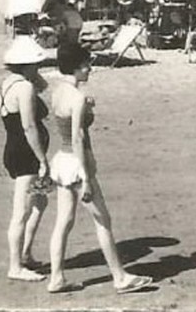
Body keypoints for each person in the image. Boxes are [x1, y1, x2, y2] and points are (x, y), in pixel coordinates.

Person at [47, 43, 154, 294]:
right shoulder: (78, 97)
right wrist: (85, 177)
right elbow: (78, 139)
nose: (90, 68)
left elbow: (66, 124)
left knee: (63, 221)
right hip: (77, 162)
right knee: (103, 219)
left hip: (61, 160)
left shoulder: (58, 91)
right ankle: (119, 277)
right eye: (86, 63)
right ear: (76, 66)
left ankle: (56, 278)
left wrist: (87, 108)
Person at [0, 36, 51, 282]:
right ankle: (15, 266)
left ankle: (26, 253)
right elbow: (30, 126)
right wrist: (42, 159)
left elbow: (43, 89)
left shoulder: (9, 83)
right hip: (26, 154)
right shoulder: (24, 88)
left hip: (14, 149)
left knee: (39, 202)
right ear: (28, 64)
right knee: (21, 211)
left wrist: (36, 79)